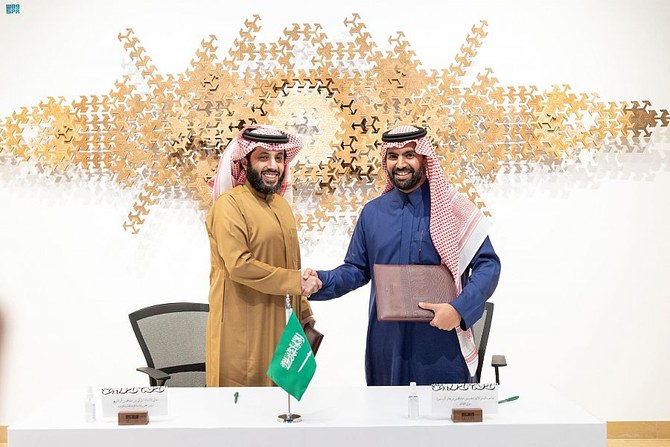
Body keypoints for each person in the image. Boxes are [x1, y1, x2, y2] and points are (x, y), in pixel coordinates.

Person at [307, 125, 501, 386]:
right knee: (386, 411)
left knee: (442, 412)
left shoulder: (453, 208)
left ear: (424, 158)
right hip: (386, 344)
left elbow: (488, 266)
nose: (400, 164)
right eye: (393, 156)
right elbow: (356, 270)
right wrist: (319, 281)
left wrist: (459, 310)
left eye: (409, 155)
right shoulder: (373, 213)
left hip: (440, 342)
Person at [205, 125, 322, 387]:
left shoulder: (281, 206)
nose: (273, 166)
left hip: (281, 323)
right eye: (263, 157)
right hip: (241, 325)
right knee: (242, 402)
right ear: (245, 161)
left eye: (279, 158)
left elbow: (291, 263)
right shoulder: (229, 205)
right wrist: (296, 281)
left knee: (280, 400)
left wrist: (304, 309)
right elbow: (239, 265)